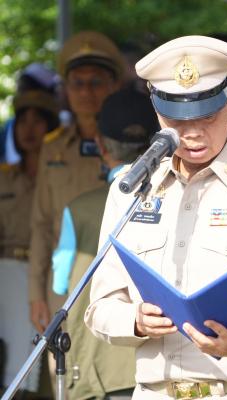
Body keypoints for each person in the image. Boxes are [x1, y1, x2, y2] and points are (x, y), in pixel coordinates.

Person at [84, 35, 227, 400]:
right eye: (177, 119)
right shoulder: (132, 190)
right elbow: (99, 307)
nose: (193, 132)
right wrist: (135, 320)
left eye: (207, 115)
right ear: (157, 111)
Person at [50, 84, 159, 400]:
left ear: (99, 144)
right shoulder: (180, 201)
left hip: (98, 372)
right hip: (162, 367)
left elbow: (60, 285)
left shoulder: (79, 210)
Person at [28, 30, 124, 335]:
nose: (86, 92)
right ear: (66, 90)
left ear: (114, 86)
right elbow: (41, 225)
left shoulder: (133, 145)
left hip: (119, 283)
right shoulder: (52, 148)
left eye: (96, 82)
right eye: (77, 83)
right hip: (64, 283)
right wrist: (36, 293)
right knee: (65, 363)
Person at [0, 90, 60, 394]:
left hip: (50, 273)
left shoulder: (60, 174)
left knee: (43, 363)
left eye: (38, 121)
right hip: (7, 275)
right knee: (8, 360)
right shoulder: (4, 177)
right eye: (22, 121)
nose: (29, 128)